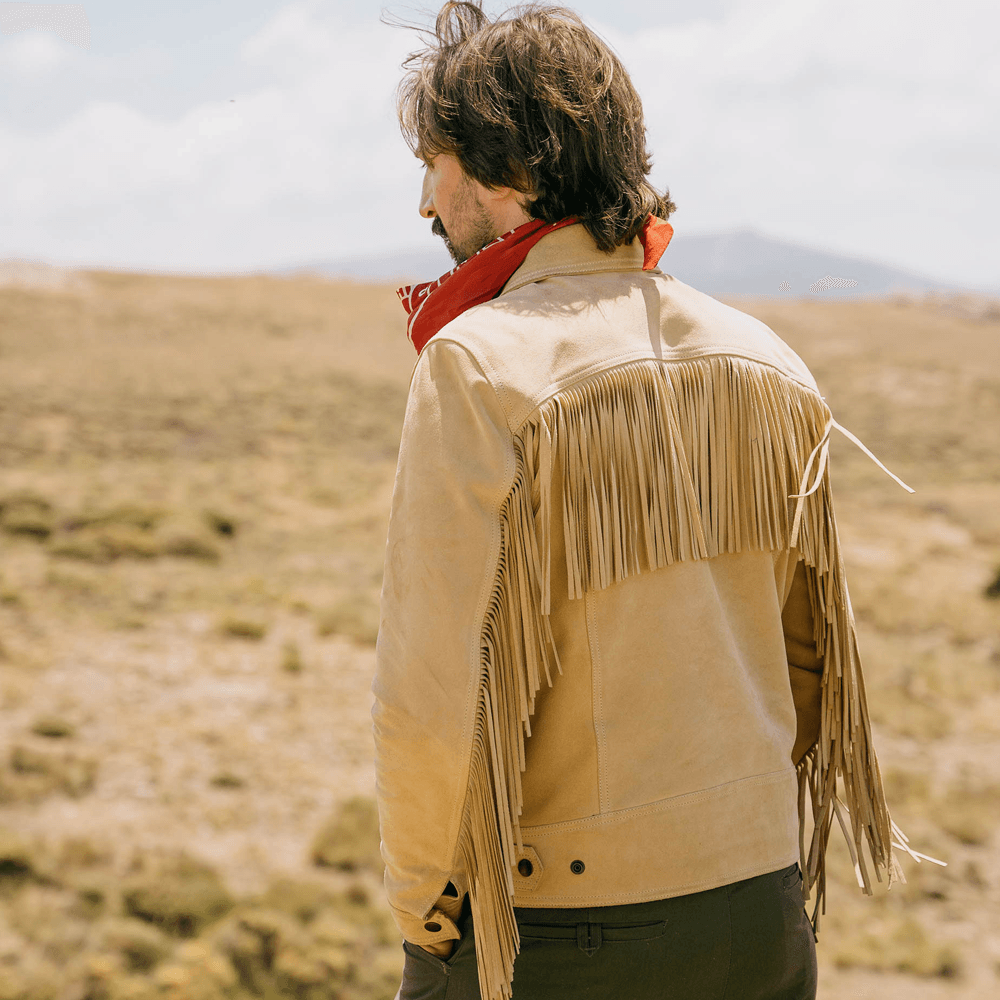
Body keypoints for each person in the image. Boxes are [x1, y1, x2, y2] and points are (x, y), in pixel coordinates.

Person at [372, 4, 913, 999]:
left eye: (436, 162)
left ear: (507, 171)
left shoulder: (479, 367)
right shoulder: (766, 359)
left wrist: (428, 922)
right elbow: (807, 658)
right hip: (757, 905)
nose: (423, 202)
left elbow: (434, 696)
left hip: (563, 930)